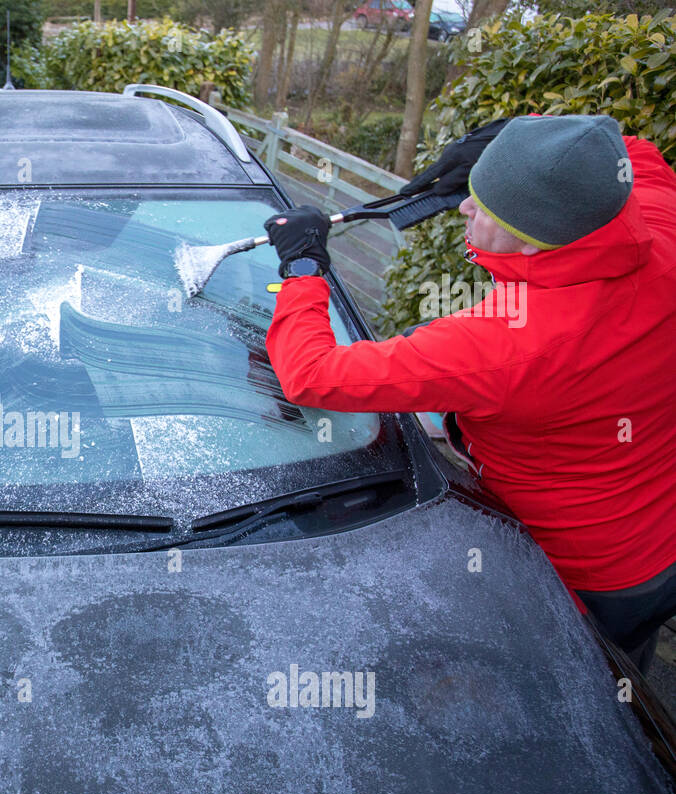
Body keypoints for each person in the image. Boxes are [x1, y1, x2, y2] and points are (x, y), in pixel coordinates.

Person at [261, 114, 676, 673]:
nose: (462, 207)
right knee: (635, 658)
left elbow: (312, 373)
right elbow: (624, 152)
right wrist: (506, 140)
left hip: (589, 576)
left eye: (485, 207)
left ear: (531, 245)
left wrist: (304, 268)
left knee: (593, 693)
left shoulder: (509, 343)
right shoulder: (656, 218)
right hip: (661, 540)